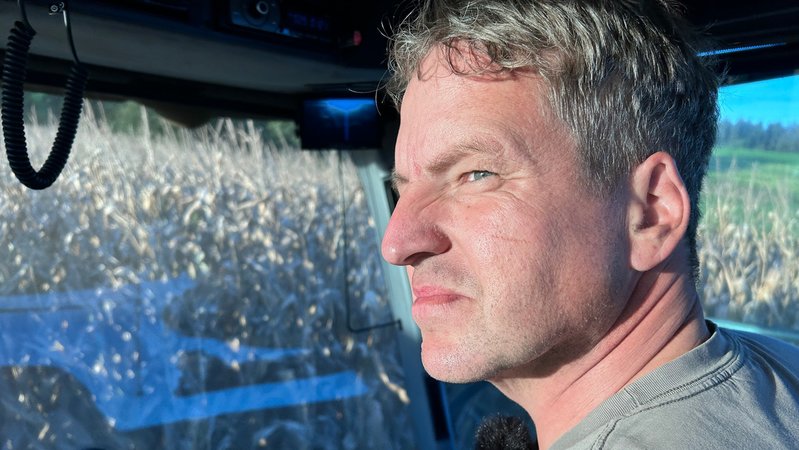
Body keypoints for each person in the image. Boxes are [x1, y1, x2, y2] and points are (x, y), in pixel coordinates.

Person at [379, 0, 799, 448]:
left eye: (476, 175)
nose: (397, 242)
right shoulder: (778, 374)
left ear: (652, 213)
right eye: (403, 190)